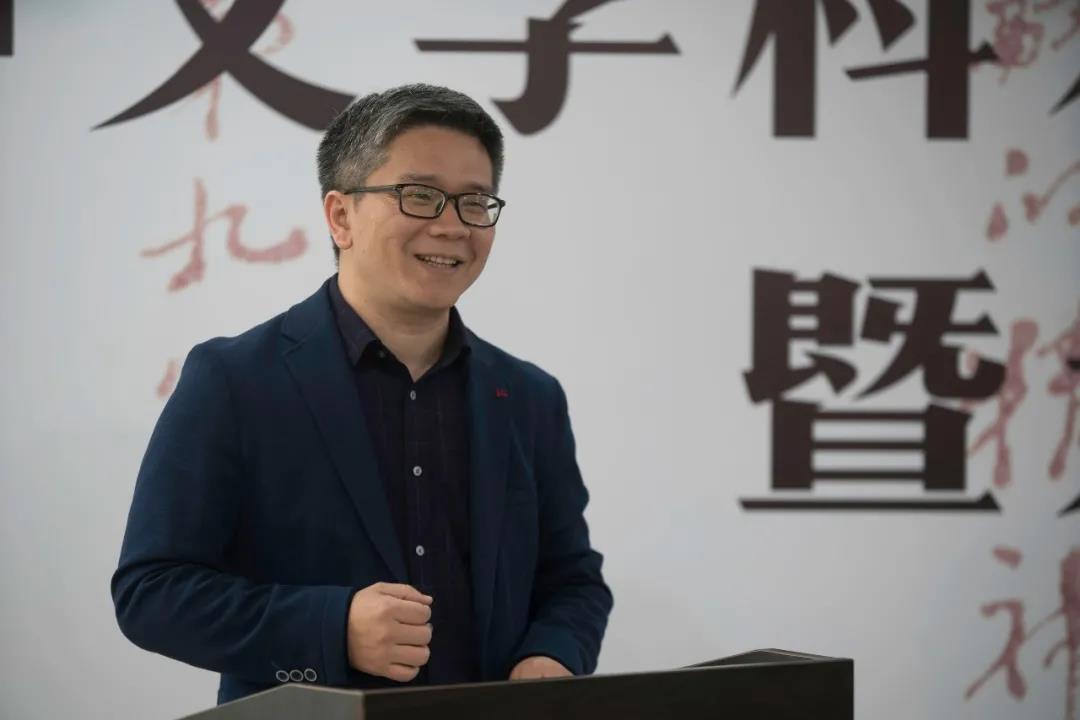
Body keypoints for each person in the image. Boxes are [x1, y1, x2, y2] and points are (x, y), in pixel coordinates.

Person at [111, 84, 613, 704]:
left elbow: (573, 581)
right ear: (340, 216)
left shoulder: (530, 396)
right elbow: (151, 592)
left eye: (474, 202)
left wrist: (552, 654)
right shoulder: (234, 379)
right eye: (419, 195)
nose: (452, 226)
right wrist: (332, 628)